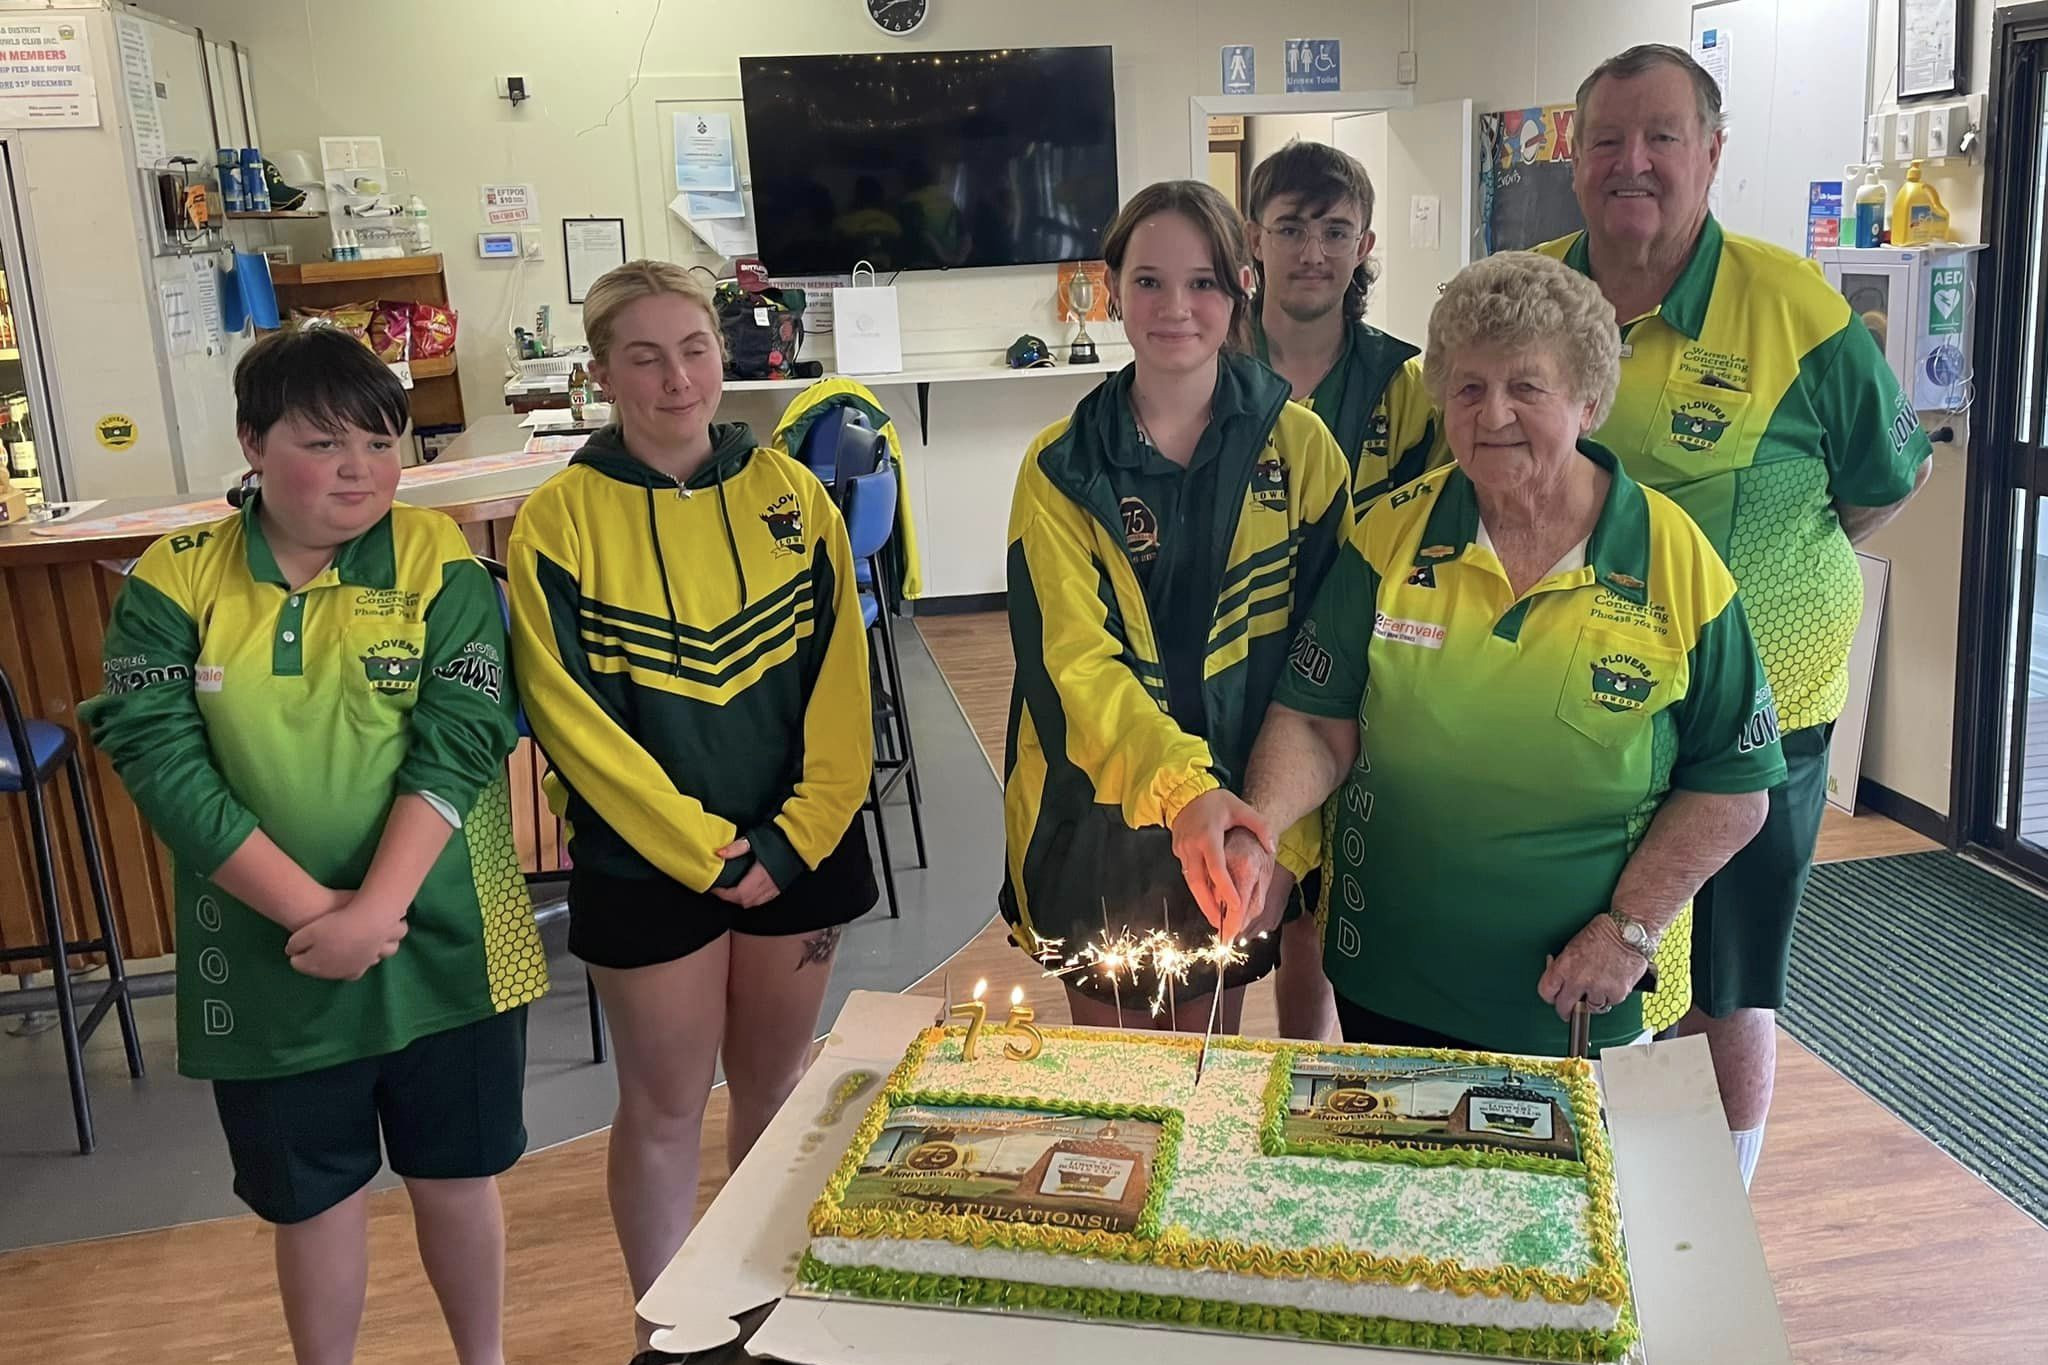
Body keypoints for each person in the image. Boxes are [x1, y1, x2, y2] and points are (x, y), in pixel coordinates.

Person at [1173, 251, 1787, 1061]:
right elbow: (1317, 724)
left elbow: (1734, 788)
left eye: (1525, 386)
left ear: (1589, 400)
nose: (1492, 412)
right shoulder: (1388, 535)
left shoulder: (1677, 562)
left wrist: (1631, 929)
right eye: (1467, 387)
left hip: (1571, 1001)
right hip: (1384, 986)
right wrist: (1263, 828)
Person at [83, 325, 548, 1365]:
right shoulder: (174, 579)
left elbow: (463, 737)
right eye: (325, 442)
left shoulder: (439, 560)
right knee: (312, 1199)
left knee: (456, 1177)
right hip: (264, 960)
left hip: (447, 940)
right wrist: (313, 918)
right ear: (252, 443)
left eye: (383, 444)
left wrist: (374, 913)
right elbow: (162, 765)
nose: (361, 470)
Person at [1536, 44, 1933, 1182]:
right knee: (1597, 961)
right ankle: (1599, 1205)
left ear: (1711, 154)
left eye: (1662, 136)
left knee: (1731, 975)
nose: (1634, 163)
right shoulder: (1537, 298)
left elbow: (1882, 482)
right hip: (1581, 714)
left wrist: (1763, 577)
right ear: (1572, 160)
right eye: (1607, 138)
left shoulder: (1795, 310)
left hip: (1759, 721)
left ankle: (1715, 1214)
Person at [505, 260, 874, 1362]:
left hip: (793, 851)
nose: (677, 380)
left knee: (775, 1091)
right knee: (663, 1109)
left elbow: (841, 683)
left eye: (695, 350)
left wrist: (791, 837)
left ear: (727, 353)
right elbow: (570, 721)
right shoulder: (559, 522)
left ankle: (763, 1313)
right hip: (650, 867)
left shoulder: (790, 495)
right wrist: (701, 853)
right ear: (602, 373)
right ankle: (668, 1332)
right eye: (645, 357)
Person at [1000, 179, 1353, 1034]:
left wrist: (1271, 837)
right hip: (1094, 820)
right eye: (1149, 280)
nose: (1175, 307)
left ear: (1240, 286)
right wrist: (1184, 793)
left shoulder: (1301, 450)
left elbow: (1323, 679)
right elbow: (1076, 673)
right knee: (1116, 1091)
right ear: (1111, 286)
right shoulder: (1059, 469)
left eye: (1202, 282)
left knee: (1206, 1070)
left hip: (1241, 824)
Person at [1244, 138, 1448, 1042]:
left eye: (1334, 229)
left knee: (1318, 927)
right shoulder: (1213, 367)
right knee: (1231, 907)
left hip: (1360, 686)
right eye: (1290, 228)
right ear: (1254, 238)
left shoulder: (1409, 383)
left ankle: (1303, 1084)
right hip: (1235, 674)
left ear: (1365, 244)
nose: (1312, 251)